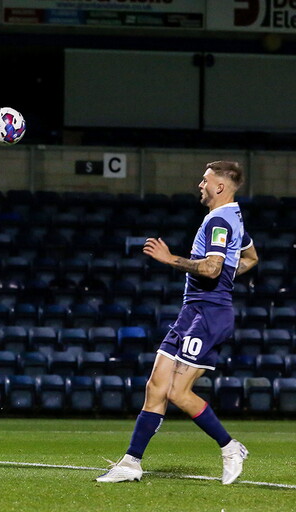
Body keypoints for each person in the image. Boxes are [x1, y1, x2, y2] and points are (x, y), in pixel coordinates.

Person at [97, 161, 258, 485]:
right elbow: (250, 258)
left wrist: (170, 259)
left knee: (177, 391)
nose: (200, 185)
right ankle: (130, 463)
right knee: (156, 385)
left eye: (205, 180)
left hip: (208, 316)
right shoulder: (233, 217)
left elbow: (212, 268)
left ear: (220, 187)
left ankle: (230, 447)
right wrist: (225, 279)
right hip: (193, 312)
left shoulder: (219, 221)